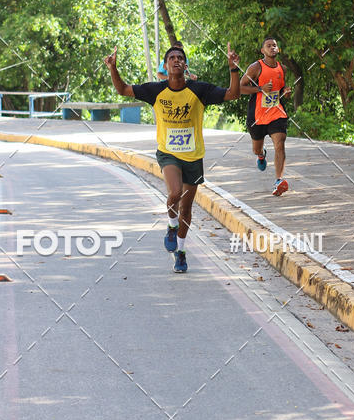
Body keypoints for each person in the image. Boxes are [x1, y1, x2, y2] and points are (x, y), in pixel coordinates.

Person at [105, 43, 240, 273]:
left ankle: (181, 251)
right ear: (166, 66)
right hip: (168, 153)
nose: (176, 60)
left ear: (185, 66)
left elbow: (232, 94)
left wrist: (234, 68)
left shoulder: (199, 90)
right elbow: (123, 90)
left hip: (193, 157)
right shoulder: (155, 90)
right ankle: (171, 224)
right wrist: (112, 69)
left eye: (180, 58)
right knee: (175, 193)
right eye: (172, 58)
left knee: (186, 208)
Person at [240, 36, 291, 196]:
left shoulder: (282, 68)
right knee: (256, 149)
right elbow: (240, 88)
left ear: (278, 49)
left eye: (275, 45)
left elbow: (281, 91)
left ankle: (279, 180)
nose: (272, 48)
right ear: (263, 50)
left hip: (276, 112)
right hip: (257, 115)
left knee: (280, 143)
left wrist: (286, 93)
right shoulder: (256, 67)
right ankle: (261, 156)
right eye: (268, 46)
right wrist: (260, 88)